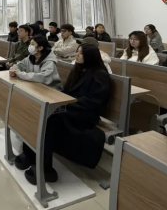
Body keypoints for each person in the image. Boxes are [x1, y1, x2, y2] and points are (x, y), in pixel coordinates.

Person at [15, 44, 111, 184]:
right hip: (70, 108)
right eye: (77, 52)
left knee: (50, 119)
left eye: (81, 53)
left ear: (90, 56)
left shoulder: (100, 75)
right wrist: (60, 102)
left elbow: (93, 102)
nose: (77, 55)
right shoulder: (78, 69)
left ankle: (45, 169)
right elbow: (67, 92)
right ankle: (30, 153)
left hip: (85, 114)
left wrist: (65, 105)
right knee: (39, 111)